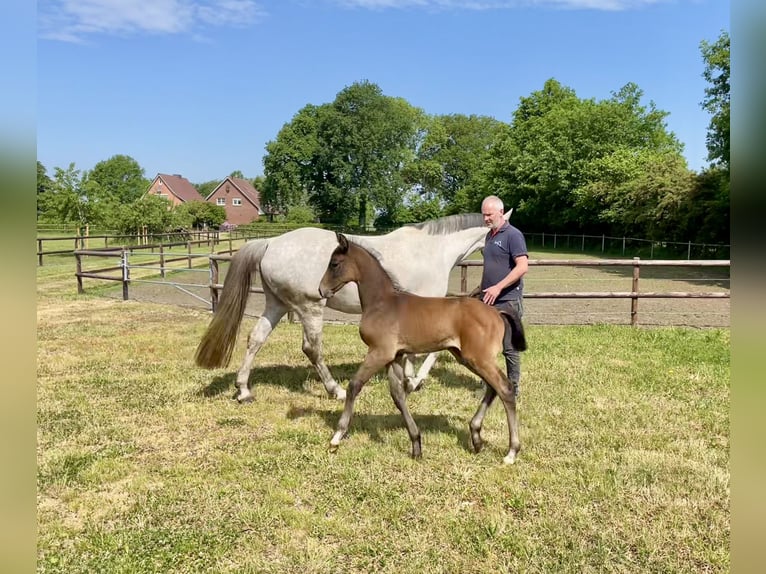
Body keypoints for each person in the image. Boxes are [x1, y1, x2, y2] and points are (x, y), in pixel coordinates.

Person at [479, 195, 528, 398]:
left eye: (489, 214)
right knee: (485, 346)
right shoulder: (490, 236)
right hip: (488, 301)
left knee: (509, 347)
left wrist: (498, 287)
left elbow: (522, 266)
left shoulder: (513, 235)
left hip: (507, 299)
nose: (486, 219)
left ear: (501, 212)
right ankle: (491, 384)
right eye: (484, 215)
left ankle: (512, 389)